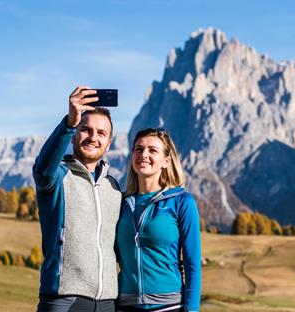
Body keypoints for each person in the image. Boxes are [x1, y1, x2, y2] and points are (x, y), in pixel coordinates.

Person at [33, 86, 122, 312]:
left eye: (101, 133)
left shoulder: (113, 188)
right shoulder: (57, 177)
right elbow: (42, 170)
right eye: (86, 130)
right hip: (63, 300)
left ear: (109, 143)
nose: (93, 137)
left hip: (107, 303)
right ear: (74, 136)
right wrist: (69, 122)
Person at [116, 128, 201, 312]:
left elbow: (192, 264)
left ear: (166, 161)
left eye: (152, 150)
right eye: (138, 149)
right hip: (124, 306)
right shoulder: (120, 203)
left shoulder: (182, 201)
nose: (143, 154)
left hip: (168, 306)